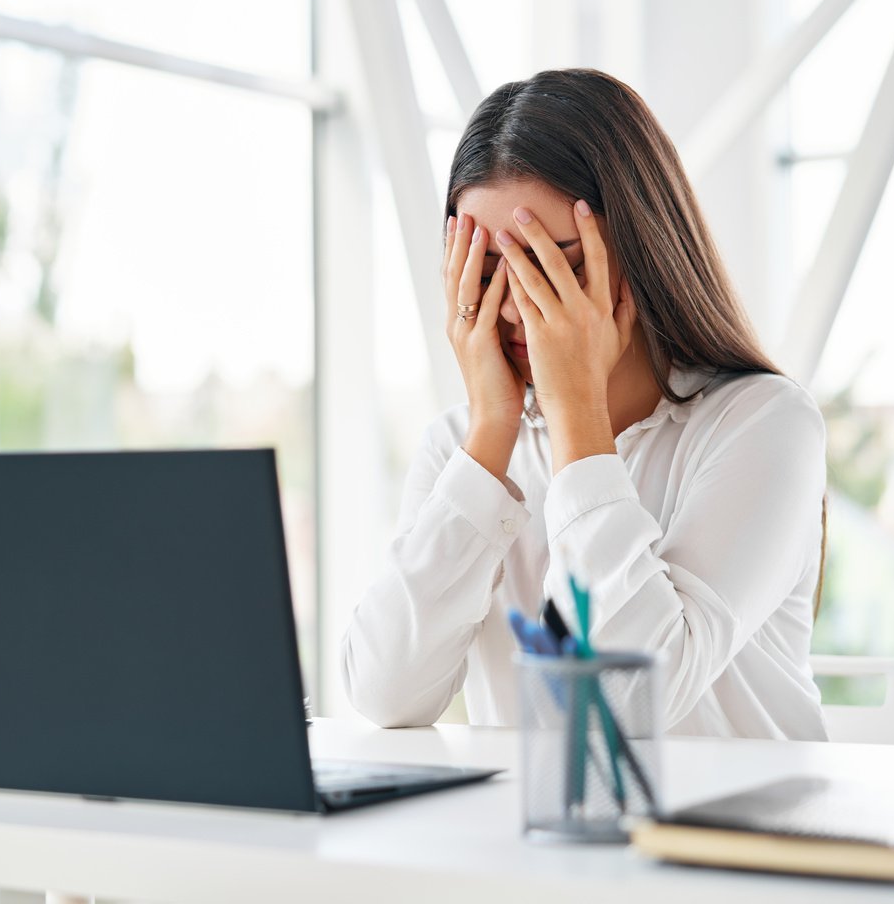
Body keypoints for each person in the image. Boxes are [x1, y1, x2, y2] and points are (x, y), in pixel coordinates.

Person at [340, 68, 828, 740]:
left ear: (638, 250)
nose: (511, 308)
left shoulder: (764, 425)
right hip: (538, 843)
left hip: (740, 839)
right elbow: (386, 694)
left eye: (549, 266)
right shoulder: (461, 445)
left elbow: (623, 707)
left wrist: (575, 413)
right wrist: (489, 433)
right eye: (484, 272)